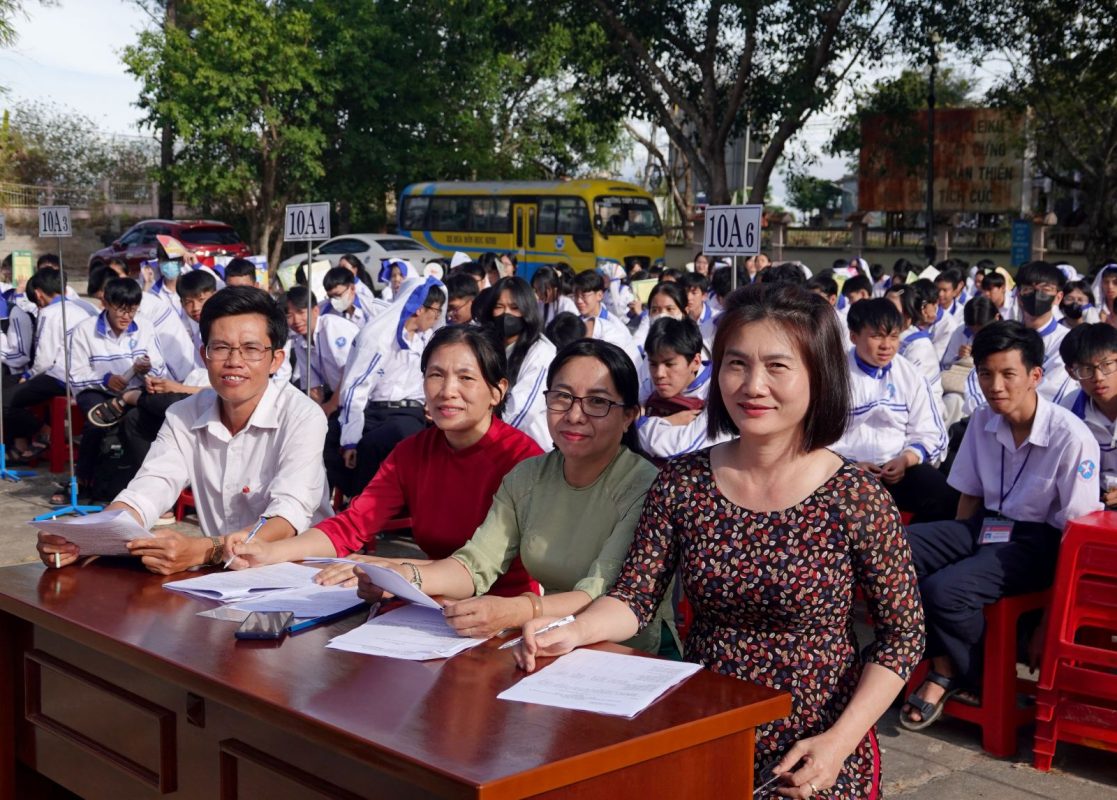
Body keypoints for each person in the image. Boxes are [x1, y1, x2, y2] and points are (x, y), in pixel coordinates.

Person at [514, 283, 925, 799]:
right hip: (705, 721)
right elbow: (635, 597)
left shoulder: (856, 497)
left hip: (815, 739)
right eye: (737, 364)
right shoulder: (684, 483)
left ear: (818, 374)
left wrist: (840, 740)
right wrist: (571, 632)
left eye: (778, 366)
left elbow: (902, 637)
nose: (753, 386)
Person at [351, 339, 678, 654]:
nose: (575, 415)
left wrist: (520, 610)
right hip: (545, 644)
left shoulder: (645, 486)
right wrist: (407, 577)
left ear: (628, 416)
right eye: (562, 397)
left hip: (631, 653)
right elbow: (476, 563)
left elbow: (603, 591)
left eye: (597, 402)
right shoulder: (528, 476)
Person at [36, 287, 334, 575]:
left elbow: (288, 514)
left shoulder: (303, 415)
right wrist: (86, 539)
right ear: (204, 356)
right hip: (222, 578)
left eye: (251, 349)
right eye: (221, 348)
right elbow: (149, 489)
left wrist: (205, 549)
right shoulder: (184, 414)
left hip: (301, 574)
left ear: (276, 360)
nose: (234, 362)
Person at [901, 321, 1101, 729]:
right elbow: (969, 496)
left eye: (1008, 374)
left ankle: (963, 675)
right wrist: (953, 550)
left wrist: (1050, 620)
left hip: (1039, 542)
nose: (996, 386)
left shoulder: (1071, 437)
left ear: (1035, 376)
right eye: (986, 374)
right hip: (987, 526)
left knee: (944, 591)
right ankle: (941, 662)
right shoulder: (981, 420)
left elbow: (1076, 535)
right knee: (895, 549)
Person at [232, 324, 543, 587]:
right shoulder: (413, 451)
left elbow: (485, 565)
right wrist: (270, 552)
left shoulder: (521, 459)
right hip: (427, 598)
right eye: (436, 375)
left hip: (502, 611)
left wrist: (389, 565)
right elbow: (352, 525)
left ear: (497, 391)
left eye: (466, 378)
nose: (448, 390)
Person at [832, 298, 953, 521]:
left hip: (897, 469)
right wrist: (849, 466)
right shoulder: (832, 376)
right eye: (876, 336)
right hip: (844, 470)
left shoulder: (910, 375)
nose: (887, 345)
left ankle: (915, 550)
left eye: (894, 336)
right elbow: (815, 439)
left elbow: (931, 433)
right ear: (853, 336)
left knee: (941, 493)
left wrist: (906, 459)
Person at [328, 276, 445, 496]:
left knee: (383, 440)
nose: (437, 317)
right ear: (419, 309)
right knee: (330, 435)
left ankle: (368, 508)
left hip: (410, 412)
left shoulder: (428, 340)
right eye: (435, 311)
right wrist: (350, 440)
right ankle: (347, 501)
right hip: (376, 410)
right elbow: (357, 387)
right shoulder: (379, 338)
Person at [65, 277, 164, 502]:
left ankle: (137, 482)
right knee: (98, 421)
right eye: (121, 310)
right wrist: (105, 379)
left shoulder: (145, 327)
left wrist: (148, 368)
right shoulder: (85, 330)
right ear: (106, 303)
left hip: (135, 389)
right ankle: (84, 479)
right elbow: (75, 375)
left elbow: (160, 366)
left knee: (142, 420)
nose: (127, 317)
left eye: (132, 311)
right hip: (95, 390)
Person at [2, 269, 96, 458]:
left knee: (4, 401)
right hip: (82, 373)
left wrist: (27, 376)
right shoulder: (82, 308)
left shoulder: (50, 312)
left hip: (61, 377)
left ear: (38, 294)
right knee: (8, 385)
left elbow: (44, 360)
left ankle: (46, 430)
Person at [479, 277, 556, 451]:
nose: (507, 314)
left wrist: (484, 440)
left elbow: (521, 410)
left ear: (527, 310)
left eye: (515, 308)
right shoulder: (488, 345)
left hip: (526, 449)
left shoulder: (541, 351)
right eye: (499, 307)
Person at [636, 317, 728, 461]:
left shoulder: (719, 390)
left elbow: (681, 448)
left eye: (669, 364)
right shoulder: (653, 383)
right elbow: (624, 417)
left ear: (696, 362)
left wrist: (640, 424)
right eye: (653, 364)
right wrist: (669, 421)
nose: (659, 374)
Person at [1059, 323, 1117, 508]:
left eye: (1107, 365)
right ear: (1071, 372)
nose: (1098, 377)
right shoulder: (1068, 410)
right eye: (1086, 369)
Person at [286, 285, 357, 416]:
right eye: (289, 315)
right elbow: (313, 386)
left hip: (361, 398)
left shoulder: (332, 326)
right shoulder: (300, 343)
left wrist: (331, 405)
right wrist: (317, 414)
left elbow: (350, 370)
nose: (296, 320)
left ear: (315, 311)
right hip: (340, 398)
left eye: (301, 312)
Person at [889, 279, 946, 417]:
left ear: (909, 314)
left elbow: (911, 394)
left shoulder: (920, 345)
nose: (885, 312)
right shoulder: (887, 338)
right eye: (883, 306)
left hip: (921, 417)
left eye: (892, 309)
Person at [571, 270, 641, 367]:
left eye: (584, 295)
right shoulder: (577, 322)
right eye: (575, 295)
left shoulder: (614, 327)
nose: (579, 301)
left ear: (599, 295)